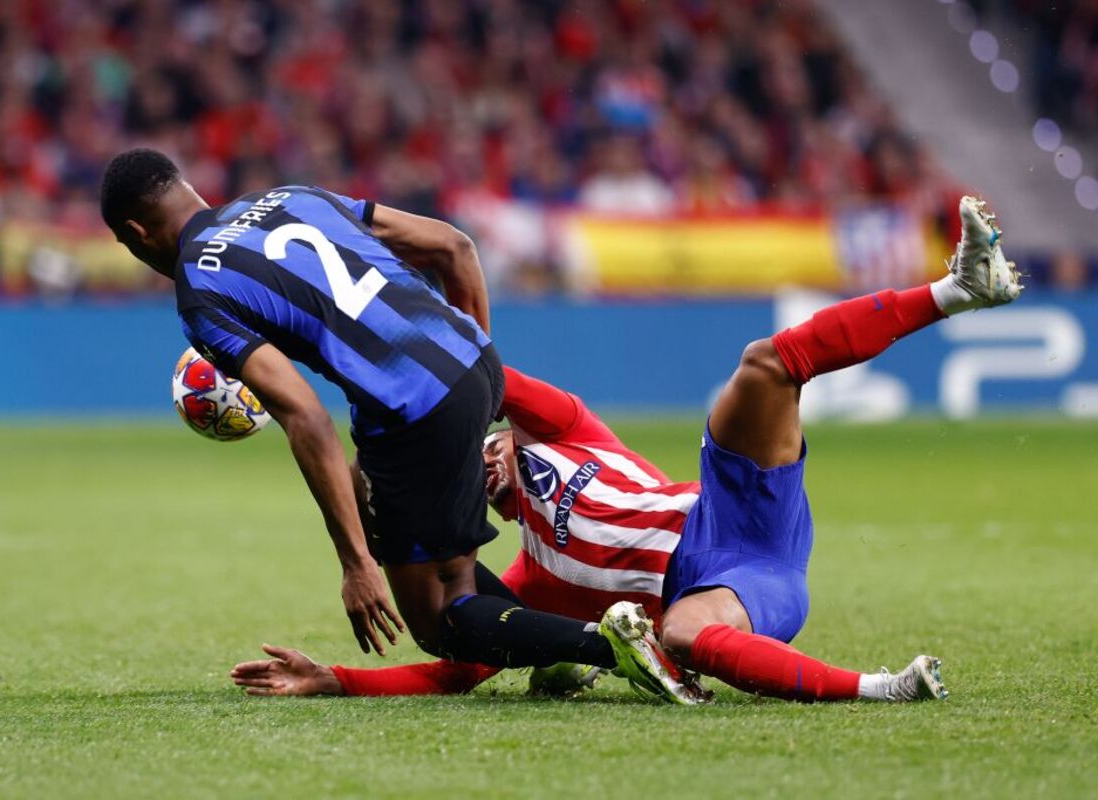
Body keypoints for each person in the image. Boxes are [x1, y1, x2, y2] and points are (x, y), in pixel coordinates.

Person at [230, 196, 1020, 704]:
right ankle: (884, 689)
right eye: (474, 481)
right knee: (679, 635)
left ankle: (960, 287)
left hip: (737, 509)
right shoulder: (533, 577)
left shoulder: (574, 431)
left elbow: (479, 374)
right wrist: (337, 681)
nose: (487, 465)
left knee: (765, 364)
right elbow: (457, 664)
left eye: (486, 448)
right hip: (745, 582)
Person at [99, 148, 643, 673]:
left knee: (438, 620)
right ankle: (565, 646)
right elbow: (454, 247)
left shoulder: (199, 289)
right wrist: (470, 388)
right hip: (476, 360)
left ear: (136, 234)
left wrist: (356, 564)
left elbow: (306, 417)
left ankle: (608, 647)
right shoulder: (289, 198)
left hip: (413, 410)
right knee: (366, 492)